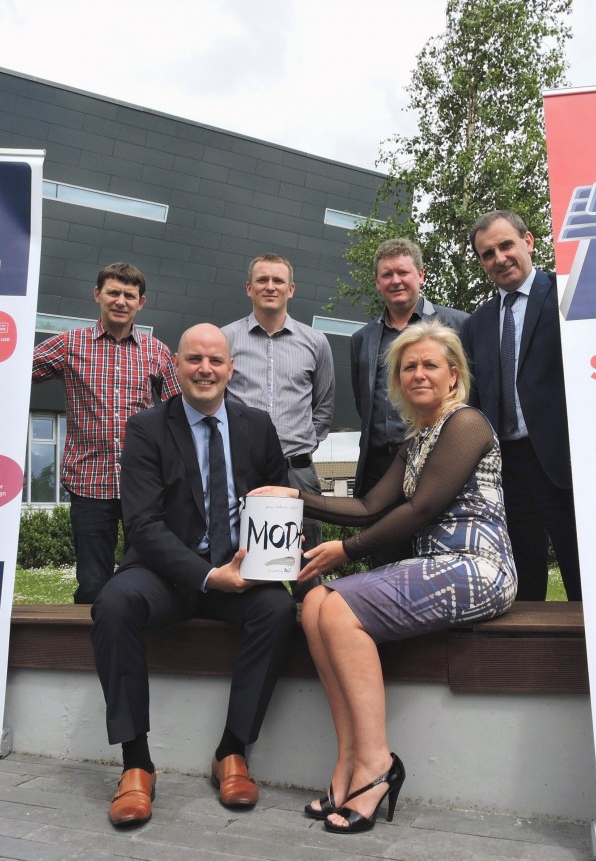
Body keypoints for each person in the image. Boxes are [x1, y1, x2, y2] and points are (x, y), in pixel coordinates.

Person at [250, 321, 516, 834]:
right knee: (314, 606)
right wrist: (295, 495)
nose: (418, 373)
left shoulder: (466, 424)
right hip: (434, 568)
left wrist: (344, 551)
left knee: (340, 606)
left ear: (453, 374)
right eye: (408, 366)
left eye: (429, 365)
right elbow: (370, 504)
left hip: (479, 568)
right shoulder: (415, 440)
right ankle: (348, 761)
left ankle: (376, 764)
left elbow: (421, 509)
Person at [90, 323, 296, 827]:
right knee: (113, 603)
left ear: (231, 368)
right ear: (176, 366)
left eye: (215, 361)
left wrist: (283, 548)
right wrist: (208, 576)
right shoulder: (145, 428)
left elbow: (280, 498)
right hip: (166, 576)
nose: (205, 369)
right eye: (194, 360)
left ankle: (232, 751)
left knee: (278, 609)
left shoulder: (258, 426)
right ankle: (136, 764)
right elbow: (142, 524)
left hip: (241, 575)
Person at [32, 262, 179, 604]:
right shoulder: (69, 346)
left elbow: (179, 413)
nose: (120, 301)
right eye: (113, 292)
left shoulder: (156, 352)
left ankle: (135, 640)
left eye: (129, 295)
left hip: (142, 483)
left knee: (143, 575)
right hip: (88, 480)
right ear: (97, 294)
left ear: (141, 302)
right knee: (92, 582)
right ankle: (87, 651)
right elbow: (13, 372)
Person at [460, 210, 581, 602]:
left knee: (581, 572)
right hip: (506, 468)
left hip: (563, 463)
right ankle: (529, 661)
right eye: (487, 253)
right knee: (522, 580)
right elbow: (474, 399)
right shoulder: (477, 322)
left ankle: (590, 661)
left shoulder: (566, 294)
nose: (499, 258)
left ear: (528, 242)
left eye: (506, 245)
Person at [222, 253, 335, 560]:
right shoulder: (225, 339)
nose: (270, 287)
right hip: (241, 469)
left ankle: (308, 606)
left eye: (278, 280)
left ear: (291, 289)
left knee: (306, 561)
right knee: (241, 556)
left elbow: (323, 406)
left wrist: (304, 444)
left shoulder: (316, 342)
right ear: (249, 288)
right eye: (262, 280)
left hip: (297, 471)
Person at [351, 238, 468, 500]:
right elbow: (364, 402)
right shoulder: (362, 339)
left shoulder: (459, 325)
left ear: (421, 275)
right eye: (387, 274)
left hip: (438, 459)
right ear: (377, 283)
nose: (395, 281)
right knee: (381, 540)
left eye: (403, 272)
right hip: (378, 465)